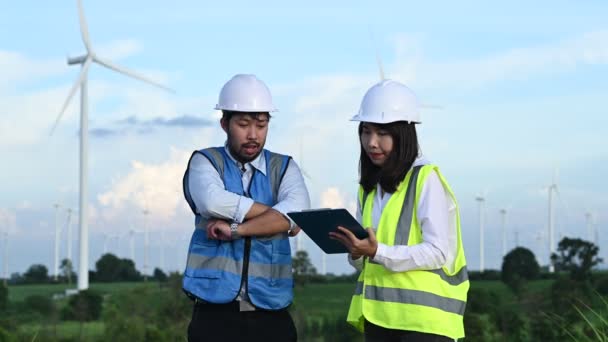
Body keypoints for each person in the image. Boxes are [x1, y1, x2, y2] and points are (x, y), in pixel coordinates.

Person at [329, 79, 469, 341]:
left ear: (404, 134)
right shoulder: (369, 188)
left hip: (426, 324)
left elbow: (438, 252)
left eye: (382, 133)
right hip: (379, 319)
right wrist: (357, 251)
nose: (371, 142)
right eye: (366, 131)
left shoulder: (426, 179)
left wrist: (377, 251)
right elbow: (366, 263)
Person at [182, 74, 310, 342]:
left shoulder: (285, 167)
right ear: (224, 124)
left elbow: (299, 212)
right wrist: (279, 216)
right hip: (214, 315)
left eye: (261, 125)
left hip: (271, 313)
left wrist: (236, 229)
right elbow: (212, 201)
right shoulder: (205, 161)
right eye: (243, 124)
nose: (253, 134)